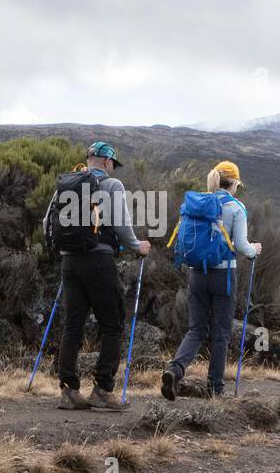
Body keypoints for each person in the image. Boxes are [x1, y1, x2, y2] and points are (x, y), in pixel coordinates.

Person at [54, 141, 150, 411]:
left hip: (69, 260)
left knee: (73, 324)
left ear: (88, 159)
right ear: (107, 162)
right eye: (113, 164)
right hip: (99, 259)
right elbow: (120, 224)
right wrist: (137, 246)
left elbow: (46, 224)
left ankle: (69, 390)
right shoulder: (112, 185)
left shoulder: (66, 182)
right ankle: (102, 390)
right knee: (112, 323)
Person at [161, 160, 260, 400]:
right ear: (234, 182)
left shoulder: (197, 203)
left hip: (196, 273)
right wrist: (254, 249)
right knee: (221, 332)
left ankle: (175, 369)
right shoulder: (236, 207)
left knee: (196, 329)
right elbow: (242, 246)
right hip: (223, 275)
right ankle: (215, 388)